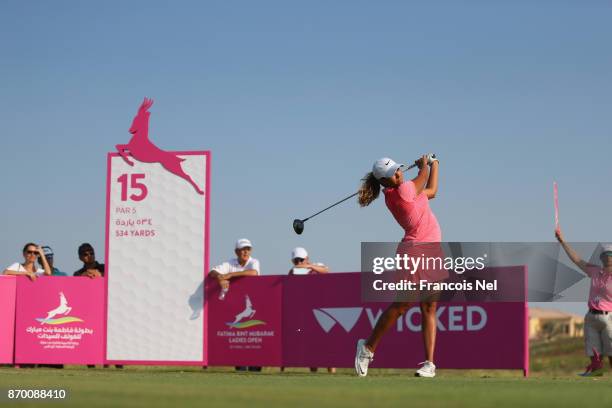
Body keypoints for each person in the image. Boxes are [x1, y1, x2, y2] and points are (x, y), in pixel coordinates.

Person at [354, 154, 443, 378]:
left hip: (432, 250)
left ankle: (429, 364)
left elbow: (431, 190)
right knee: (402, 305)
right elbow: (423, 177)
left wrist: (436, 165)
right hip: (414, 251)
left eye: (398, 169)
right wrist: (425, 165)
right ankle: (367, 348)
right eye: (393, 173)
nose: (398, 172)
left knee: (429, 308)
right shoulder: (402, 191)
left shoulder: (406, 190)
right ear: (384, 182)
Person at [555, 229, 612, 376]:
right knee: (593, 349)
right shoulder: (595, 271)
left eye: (610, 255)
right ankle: (595, 373)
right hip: (591, 315)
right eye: (605, 255)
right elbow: (576, 259)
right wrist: (562, 242)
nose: (608, 258)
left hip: (609, 317)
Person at [209, 238, 260, 372]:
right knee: (239, 337)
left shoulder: (254, 262)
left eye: (248, 249)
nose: (246, 252)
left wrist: (230, 275)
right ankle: (241, 367)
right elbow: (212, 272)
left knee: (254, 338)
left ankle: (255, 367)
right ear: (236, 251)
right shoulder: (229, 263)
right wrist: (220, 278)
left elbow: (254, 273)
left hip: (255, 304)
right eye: (243, 249)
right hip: (236, 306)